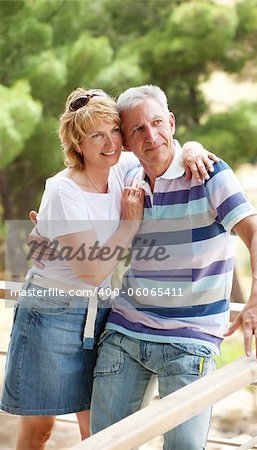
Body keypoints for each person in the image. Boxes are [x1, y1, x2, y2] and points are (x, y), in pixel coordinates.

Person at [0, 87, 217, 450]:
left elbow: (166, 151)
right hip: (51, 314)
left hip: (101, 315)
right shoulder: (62, 190)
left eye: (114, 130)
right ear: (77, 144)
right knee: (40, 429)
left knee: (99, 434)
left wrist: (192, 146)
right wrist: (128, 225)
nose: (110, 142)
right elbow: (91, 272)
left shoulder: (124, 170)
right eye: (96, 135)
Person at [90, 85, 257, 450]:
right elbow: (80, 164)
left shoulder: (209, 173)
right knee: (103, 446)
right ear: (126, 143)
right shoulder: (128, 175)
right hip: (124, 336)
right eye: (138, 130)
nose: (152, 135)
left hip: (188, 343)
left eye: (158, 123)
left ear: (172, 123)